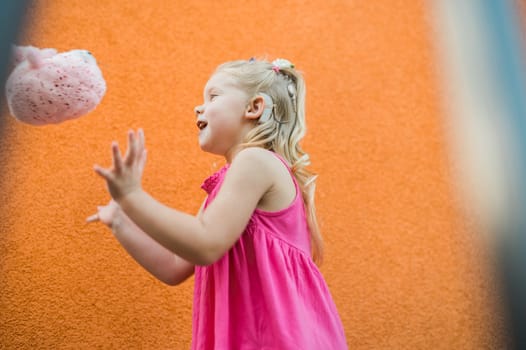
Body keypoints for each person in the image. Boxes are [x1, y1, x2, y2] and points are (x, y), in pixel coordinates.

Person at [87, 57, 348, 349]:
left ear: (254, 108)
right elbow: (173, 266)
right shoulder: (229, 182)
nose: (199, 107)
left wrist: (133, 196)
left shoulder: (256, 161)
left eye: (213, 96)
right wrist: (121, 221)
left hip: (277, 339)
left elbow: (204, 243)